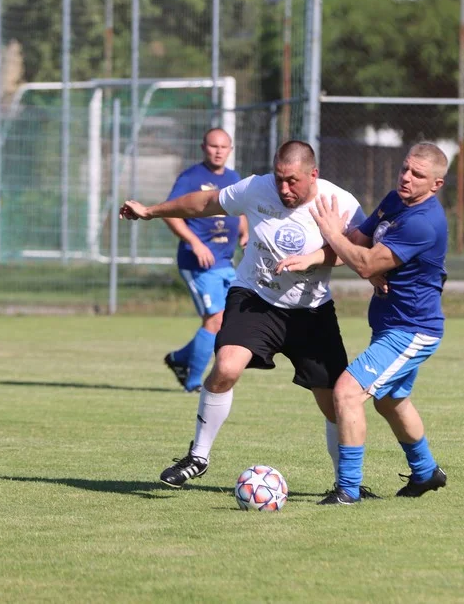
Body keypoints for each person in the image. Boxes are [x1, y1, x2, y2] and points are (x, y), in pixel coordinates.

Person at [119, 140, 369, 493]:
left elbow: (358, 251)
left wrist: (312, 259)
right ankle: (198, 457)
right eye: (279, 178)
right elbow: (205, 203)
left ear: (313, 174)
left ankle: (346, 484)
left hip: (311, 311)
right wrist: (152, 211)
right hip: (256, 298)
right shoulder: (256, 187)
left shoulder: (339, 202)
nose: (284, 188)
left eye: (293, 181)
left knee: (335, 404)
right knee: (227, 367)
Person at [278, 142, 450, 505]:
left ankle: (348, 489)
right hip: (392, 325)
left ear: (436, 184)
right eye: (405, 168)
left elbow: (367, 263)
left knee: (346, 392)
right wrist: (312, 256)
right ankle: (426, 473)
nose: (406, 177)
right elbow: (357, 242)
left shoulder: (423, 223)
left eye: (417, 174)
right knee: (390, 400)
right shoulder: (394, 201)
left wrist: (331, 232)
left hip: (412, 329)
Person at [161, 128, 248, 393]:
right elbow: (169, 213)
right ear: (203, 147)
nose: (219, 151)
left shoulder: (233, 178)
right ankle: (194, 382)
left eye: (224, 147)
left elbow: (241, 208)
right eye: (213, 146)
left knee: (229, 320)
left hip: (224, 261)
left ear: (230, 149)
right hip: (197, 264)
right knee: (215, 320)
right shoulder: (191, 178)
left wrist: (245, 232)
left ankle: (179, 359)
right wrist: (195, 242)